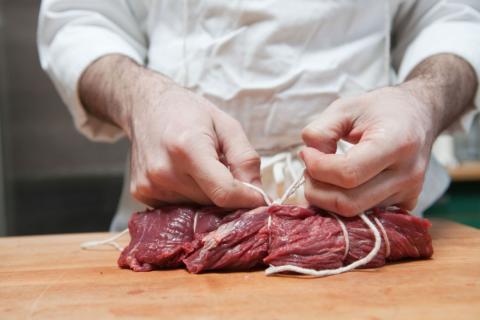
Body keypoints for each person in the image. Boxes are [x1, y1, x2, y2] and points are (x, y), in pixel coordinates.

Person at [37, 1, 480, 231]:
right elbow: (80, 19)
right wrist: (141, 99)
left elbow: (453, 15)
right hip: (176, 215)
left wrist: (423, 101)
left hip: (374, 218)